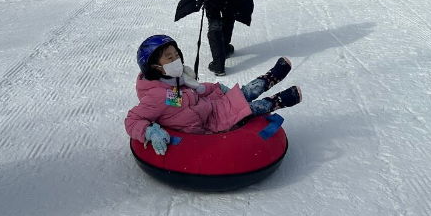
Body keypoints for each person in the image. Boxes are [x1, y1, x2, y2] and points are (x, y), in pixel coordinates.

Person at [125, 35, 302, 154]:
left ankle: (269, 77)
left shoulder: (177, 80)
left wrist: (217, 88)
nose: (176, 60)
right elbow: (132, 120)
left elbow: (199, 89)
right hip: (210, 125)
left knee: (243, 92)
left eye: (177, 55)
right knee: (247, 108)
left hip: (210, 108)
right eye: (170, 58)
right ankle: (278, 101)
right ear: (155, 68)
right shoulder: (156, 97)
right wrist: (150, 133)